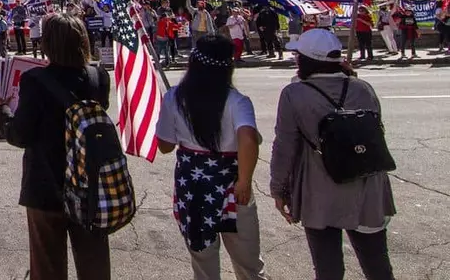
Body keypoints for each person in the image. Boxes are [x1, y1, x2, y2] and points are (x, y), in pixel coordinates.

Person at [0, 14, 112, 280]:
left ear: (46, 43)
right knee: (95, 264)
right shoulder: (98, 76)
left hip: (46, 184)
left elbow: (20, 135)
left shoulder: (35, 80)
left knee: (47, 266)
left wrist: (2, 110)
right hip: (90, 182)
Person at [270, 28, 397, 280]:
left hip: (319, 191)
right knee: (378, 267)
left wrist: (278, 190)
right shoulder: (363, 88)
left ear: (305, 60)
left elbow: (285, 147)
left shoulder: (294, 94)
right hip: (366, 186)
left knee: (328, 270)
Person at [155, 35, 267, 280]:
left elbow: (165, 146)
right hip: (233, 186)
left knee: (204, 262)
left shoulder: (175, 97)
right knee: (247, 261)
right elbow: (247, 138)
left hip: (194, 187)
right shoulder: (237, 101)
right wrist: (245, 181)